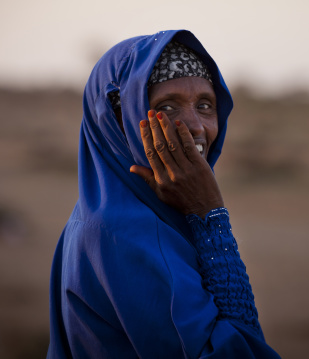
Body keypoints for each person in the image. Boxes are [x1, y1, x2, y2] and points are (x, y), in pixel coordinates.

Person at [47, 30, 280, 358]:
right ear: (119, 121)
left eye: (205, 105)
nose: (195, 126)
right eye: (167, 107)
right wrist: (210, 213)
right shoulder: (125, 233)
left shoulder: (101, 213)